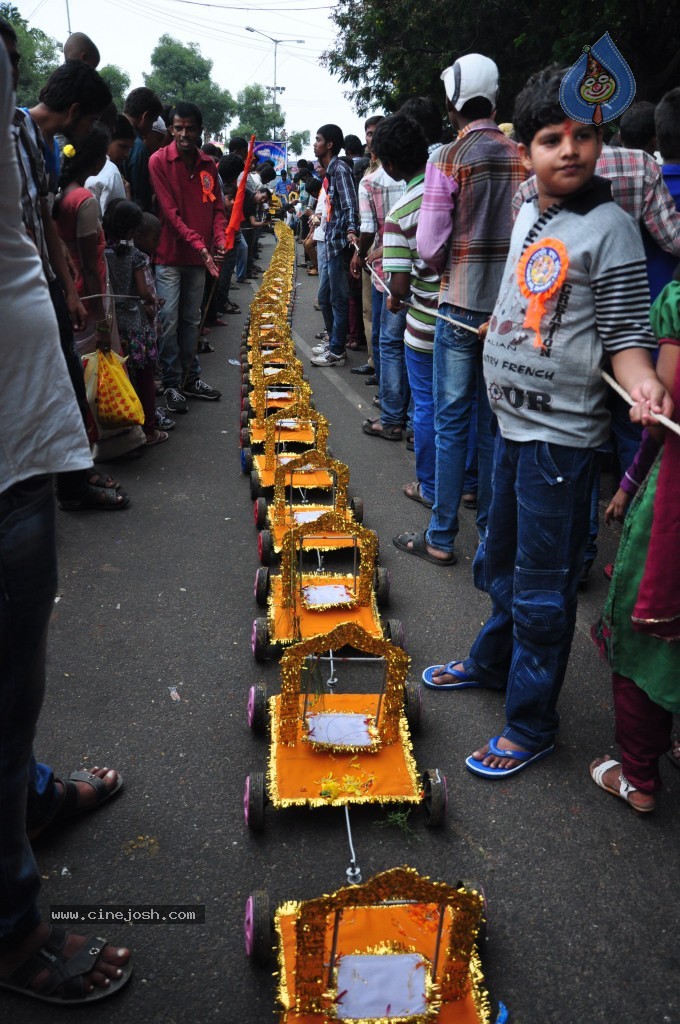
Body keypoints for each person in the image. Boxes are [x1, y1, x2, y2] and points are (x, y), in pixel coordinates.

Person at [423, 65, 672, 781]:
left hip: (559, 446)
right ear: (525, 150)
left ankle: (531, 723)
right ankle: (493, 663)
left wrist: (647, 382)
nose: (570, 150)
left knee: (541, 585)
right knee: (497, 559)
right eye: (551, 138)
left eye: (584, 135)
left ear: (601, 141)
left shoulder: (615, 229)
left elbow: (626, 337)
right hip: (507, 427)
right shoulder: (528, 209)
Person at [0, 44, 132, 1004]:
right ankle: (10, 931)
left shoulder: (15, 116)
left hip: (20, 437)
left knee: (16, 674)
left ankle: (29, 796)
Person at [394, 54, 526, 563]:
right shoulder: (519, 154)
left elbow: (428, 247)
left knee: (452, 425)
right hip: (507, 313)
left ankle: (441, 537)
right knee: (493, 427)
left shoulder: (446, 158)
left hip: (457, 308)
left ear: (453, 100)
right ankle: (492, 542)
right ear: (493, 97)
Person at [590, 280, 680, 812]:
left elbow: (663, 413)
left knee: (649, 635)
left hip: (673, 508)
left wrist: (628, 485)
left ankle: (639, 777)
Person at [53, 125, 146, 461]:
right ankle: (106, 441)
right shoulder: (86, 201)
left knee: (83, 369)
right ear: (94, 160)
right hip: (90, 295)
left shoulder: (63, 195)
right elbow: (92, 265)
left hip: (71, 290)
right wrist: (104, 320)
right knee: (100, 367)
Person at [149, 101, 227, 414]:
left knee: (191, 320)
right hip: (170, 255)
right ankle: (170, 382)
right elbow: (170, 213)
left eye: (190, 128)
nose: (184, 134)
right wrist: (200, 244)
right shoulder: (158, 161)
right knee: (168, 322)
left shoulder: (208, 164)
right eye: (178, 128)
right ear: (170, 129)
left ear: (199, 130)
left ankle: (190, 378)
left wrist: (220, 239)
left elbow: (217, 208)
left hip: (200, 258)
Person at [378, 113, 439, 505]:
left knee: (430, 409)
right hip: (466, 319)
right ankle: (467, 486)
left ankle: (430, 486)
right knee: (461, 411)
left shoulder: (400, 214)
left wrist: (394, 297)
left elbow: (399, 286)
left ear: (390, 165)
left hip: (425, 326)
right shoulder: (450, 191)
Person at [104, 199, 167, 446]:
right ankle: (149, 430)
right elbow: (142, 291)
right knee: (144, 377)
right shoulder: (136, 256)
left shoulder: (104, 254)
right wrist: (152, 298)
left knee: (123, 378)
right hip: (136, 323)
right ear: (132, 232)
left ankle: (128, 433)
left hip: (114, 323)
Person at [310, 123, 359, 368]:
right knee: (325, 296)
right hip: (329, 244)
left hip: (339, 245)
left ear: (329, 144)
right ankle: (334, 341)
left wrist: (351, 230)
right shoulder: (330, 171)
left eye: (318, 139)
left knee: (338, 299)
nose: (314, 143)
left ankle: (337, 350)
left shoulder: (340, 169)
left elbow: (351, 205)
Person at [123, 86, 163, 213]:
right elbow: (140, 195)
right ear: (145, 117)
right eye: (152, 122)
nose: (150, 128)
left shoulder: (109, 134)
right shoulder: (138, 146)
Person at [85, 113, 135, 215]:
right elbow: (117, 221)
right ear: (107, 140)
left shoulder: (82, 162)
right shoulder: (111, 173)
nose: (126, 155)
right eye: (123, 147)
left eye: (129, 149)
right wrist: (127, 200)